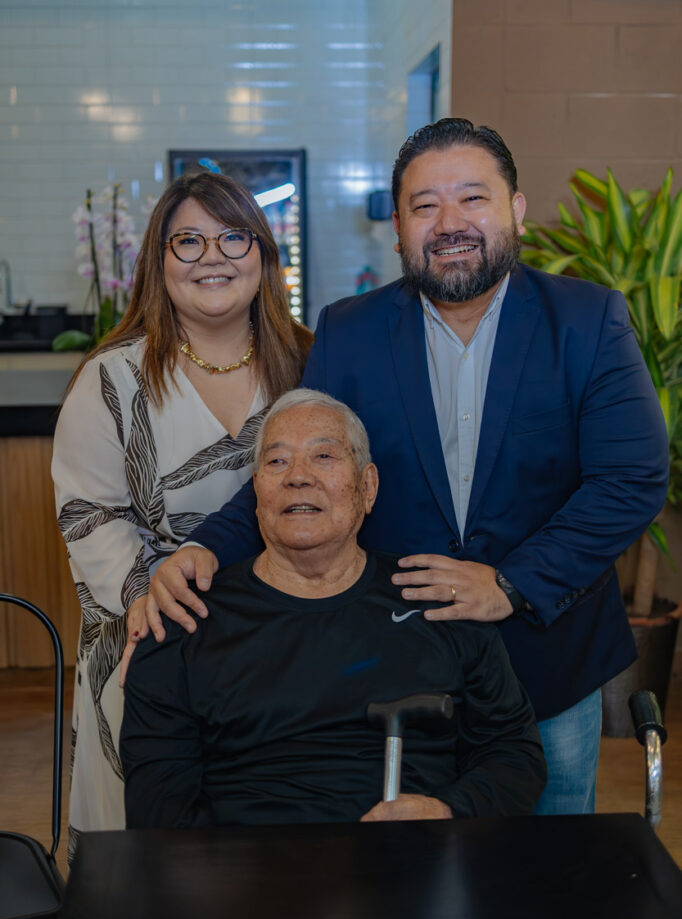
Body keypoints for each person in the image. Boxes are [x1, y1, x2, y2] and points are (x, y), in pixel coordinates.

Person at [143, 118, 669, 816]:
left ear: (516, 209)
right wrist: (204, 550)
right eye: (425, 205)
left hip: (549, 658)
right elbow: (306, 468)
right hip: (400, 664)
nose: (450, 223)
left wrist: (510, 583)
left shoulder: (587, 319)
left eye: (473, 198)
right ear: (398, 228)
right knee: (406, 858)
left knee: (546, 864)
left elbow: (631, 478)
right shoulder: (348, 330)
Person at [121, 390, 546, 827]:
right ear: (257, 492)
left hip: (410, 861)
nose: (298, 477)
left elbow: (514, 753)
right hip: (245, 865)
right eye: (277, 461)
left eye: (323, 456)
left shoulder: (437, 601)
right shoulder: (185, 621)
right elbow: (158, 805)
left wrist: (448, 810)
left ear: (368, 487)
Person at [52, 171, 312, 853]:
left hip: (288, 640)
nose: (212, 257)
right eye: (188, 241)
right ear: (158, 260)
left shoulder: (309, 363)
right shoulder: (111, 378)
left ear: (263, 253)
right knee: (150, 862)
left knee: (280, 849)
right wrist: (155, 605)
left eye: (233, 237)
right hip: (152, 640)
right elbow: (90, 515)